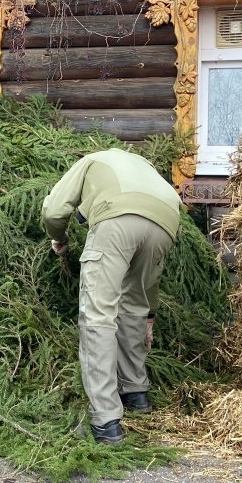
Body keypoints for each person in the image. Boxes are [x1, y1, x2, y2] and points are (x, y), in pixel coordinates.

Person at [42, 148, 181, 445]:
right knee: (134, 306)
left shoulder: (91, 160)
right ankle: (136, 393)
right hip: (166, 224)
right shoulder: (144, 164)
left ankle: (106, 420)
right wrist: (150, 315)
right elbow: (146, 293)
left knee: (98, 314)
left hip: (117, 220)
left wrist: (60, 237)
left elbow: (54, 210)